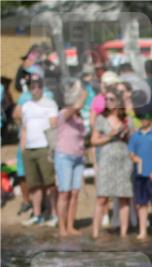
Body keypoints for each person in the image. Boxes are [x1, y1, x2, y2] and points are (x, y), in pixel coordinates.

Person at [90, 89, 133, 239]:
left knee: (123, 197)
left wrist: (126, 133)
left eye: (112, 99)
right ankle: (95, 233)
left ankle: (123, 233)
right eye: (106, 99)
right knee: (102, 197)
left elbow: (131, 141)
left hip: (123, 158)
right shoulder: (101, 119)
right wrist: (110, 135)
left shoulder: (126, 119)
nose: (108, 102)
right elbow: (93, 141)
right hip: (107, 159)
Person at [20, 73, 58, 226]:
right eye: (32, 87)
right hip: (29, 149)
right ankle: (37, 215)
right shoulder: (26, 106)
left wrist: (52, 148)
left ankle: (53, 213)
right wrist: (23, 149)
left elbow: (53, 126)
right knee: (34, 185)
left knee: (49, 183)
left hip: (44, 148)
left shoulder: (50, 104)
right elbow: (23, 128)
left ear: (42, 88)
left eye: (37, 86)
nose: (35, 89)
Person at [127, 106, 152, 240]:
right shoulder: (135, 136)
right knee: (141, 203)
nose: (144, 120)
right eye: (141, 118)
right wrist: (134, 158)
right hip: (139, 175)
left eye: (147, 117)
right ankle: (142, 230)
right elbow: (131, 153)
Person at [54, 81, 87, 236]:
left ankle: (70, 225)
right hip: (64, 157)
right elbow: (76, 107)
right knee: (64, 193)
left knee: (74, 193)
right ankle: (62, 228)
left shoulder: (79, 118)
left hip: (78, 158)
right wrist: (83, 94)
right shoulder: (64, 114)